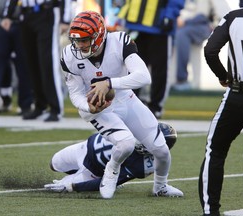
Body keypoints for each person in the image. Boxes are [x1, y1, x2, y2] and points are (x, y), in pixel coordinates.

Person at [61, 11, 183, 199]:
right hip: (99, 108)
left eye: (85, 40)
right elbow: (75, 94)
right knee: (126, 144)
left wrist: (109, 83)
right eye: (77, 40)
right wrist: (88, 107)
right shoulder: (70, 55)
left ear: (99, 35)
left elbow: (144, 76)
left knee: (161, 149)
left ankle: (161, 186)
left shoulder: (119, 41)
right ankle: (112, 169)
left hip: (125, 98)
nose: (80, 45)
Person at [198, 1, 243, 215]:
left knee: (214, 150)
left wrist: (223, 76)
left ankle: (210, 211)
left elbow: (210, 50)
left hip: (238, 95)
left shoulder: (234, 16)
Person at [44, 122, 183, 196]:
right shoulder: (139, 121)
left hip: (94, 170)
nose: (143, 139)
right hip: (84, 148)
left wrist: (73, 187)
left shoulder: (145, 165)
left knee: (59, 188)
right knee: (54, 163)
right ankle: (74, 173)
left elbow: (106, 183)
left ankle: (75, 178)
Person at [117, 0, 185, 119]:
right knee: (131, 68)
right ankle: (130, 104)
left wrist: (169, 15)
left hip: (159, 25)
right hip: (134, 22)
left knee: (160, 70)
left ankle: (155, 107)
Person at [20, 0, 65, 122]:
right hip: (26, 13)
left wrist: (65, 18)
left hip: (47, 11)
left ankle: (56, 108)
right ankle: (40, 105)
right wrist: (8, 14)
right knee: (32, 62)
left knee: (48, 61)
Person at [171, 0, 230, 91]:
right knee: (181, 37)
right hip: (182, 27)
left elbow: (225, 13)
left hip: (202, 25)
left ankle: (182, 80)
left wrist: (215, 26)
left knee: (182, 34)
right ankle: (180, 81)